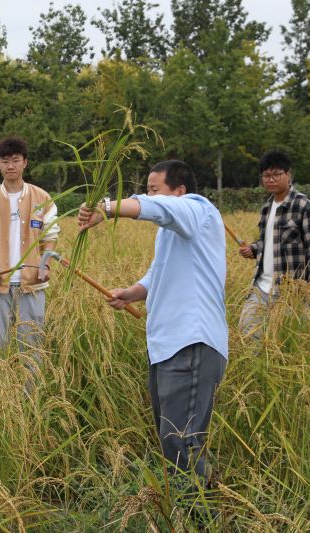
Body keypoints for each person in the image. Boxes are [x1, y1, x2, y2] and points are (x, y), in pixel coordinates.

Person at [77, 160, 228, 493]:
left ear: (179, 192)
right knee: (172, 440)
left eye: (153, 189)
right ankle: (188, 511)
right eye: (146, 190)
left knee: (181, 441)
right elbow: (158, 273)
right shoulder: (173, 234)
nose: (147, 195)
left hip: (192, 343)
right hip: (168, 347)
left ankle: (199, 520)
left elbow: (157, 208)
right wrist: (132, 293)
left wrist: (107, 207)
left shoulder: (197, 210)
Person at [0, 136, 59, 362]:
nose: (10, 166)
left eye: (16, 160)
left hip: (33, 281)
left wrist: (45, 263)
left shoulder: (42, 198)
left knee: (32, 342)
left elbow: (50, 235)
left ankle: (30, 392)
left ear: (25, 163)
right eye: (5, 161)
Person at [238, 150, 310, 339]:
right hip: (262, 287)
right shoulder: (266, 208)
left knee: (287, 344)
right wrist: (253, 249)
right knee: (247, 336)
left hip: (291, 293)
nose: (271, 179)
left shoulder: (304, 207)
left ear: (289, 175)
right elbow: (267, 241)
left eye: (276, 174)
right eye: (266, 175)